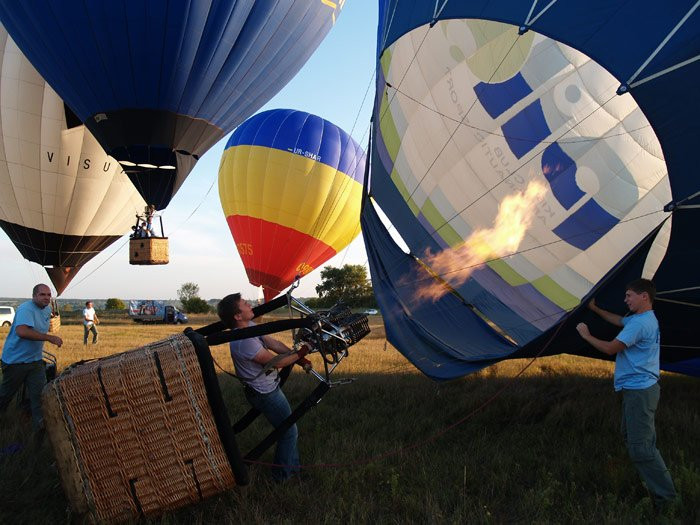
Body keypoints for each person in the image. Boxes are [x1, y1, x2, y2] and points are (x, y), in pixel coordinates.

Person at [576, 278, 676, 512]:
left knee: (641, 447)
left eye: (629, 295)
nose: (625, 299)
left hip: (640, 390)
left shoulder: (640, 325)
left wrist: (586, 335)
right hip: (638, 389)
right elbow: (620, 320)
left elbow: (611, 348)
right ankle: (653, 483)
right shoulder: (641, 319)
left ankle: (667, 501)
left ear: (644, 296)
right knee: (631, 436)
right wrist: (595, 309)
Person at [217, 293, 312, 481]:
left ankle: (293, 470)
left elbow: (274, 344)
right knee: (288, 431)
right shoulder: (243, 342)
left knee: (287, 429)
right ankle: (281, 476)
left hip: (267, 388)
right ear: (237, 315)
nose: (250, 304)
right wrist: (303, 350)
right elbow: (276, 363)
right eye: (245, 304)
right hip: (264, 394)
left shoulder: (249, 327)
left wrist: (300, 358)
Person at [0, 284, 63, 431]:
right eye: (42, 295)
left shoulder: (47, 309)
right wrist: (49, 338)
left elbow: (41, 325)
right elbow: (22, 331)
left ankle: (39, 430)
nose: (46, 298)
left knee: (39, 396)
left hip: (35, 361)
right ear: (34, 296)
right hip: (16, 361)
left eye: (48, 295)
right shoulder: (26, 309)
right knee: (6, 396)